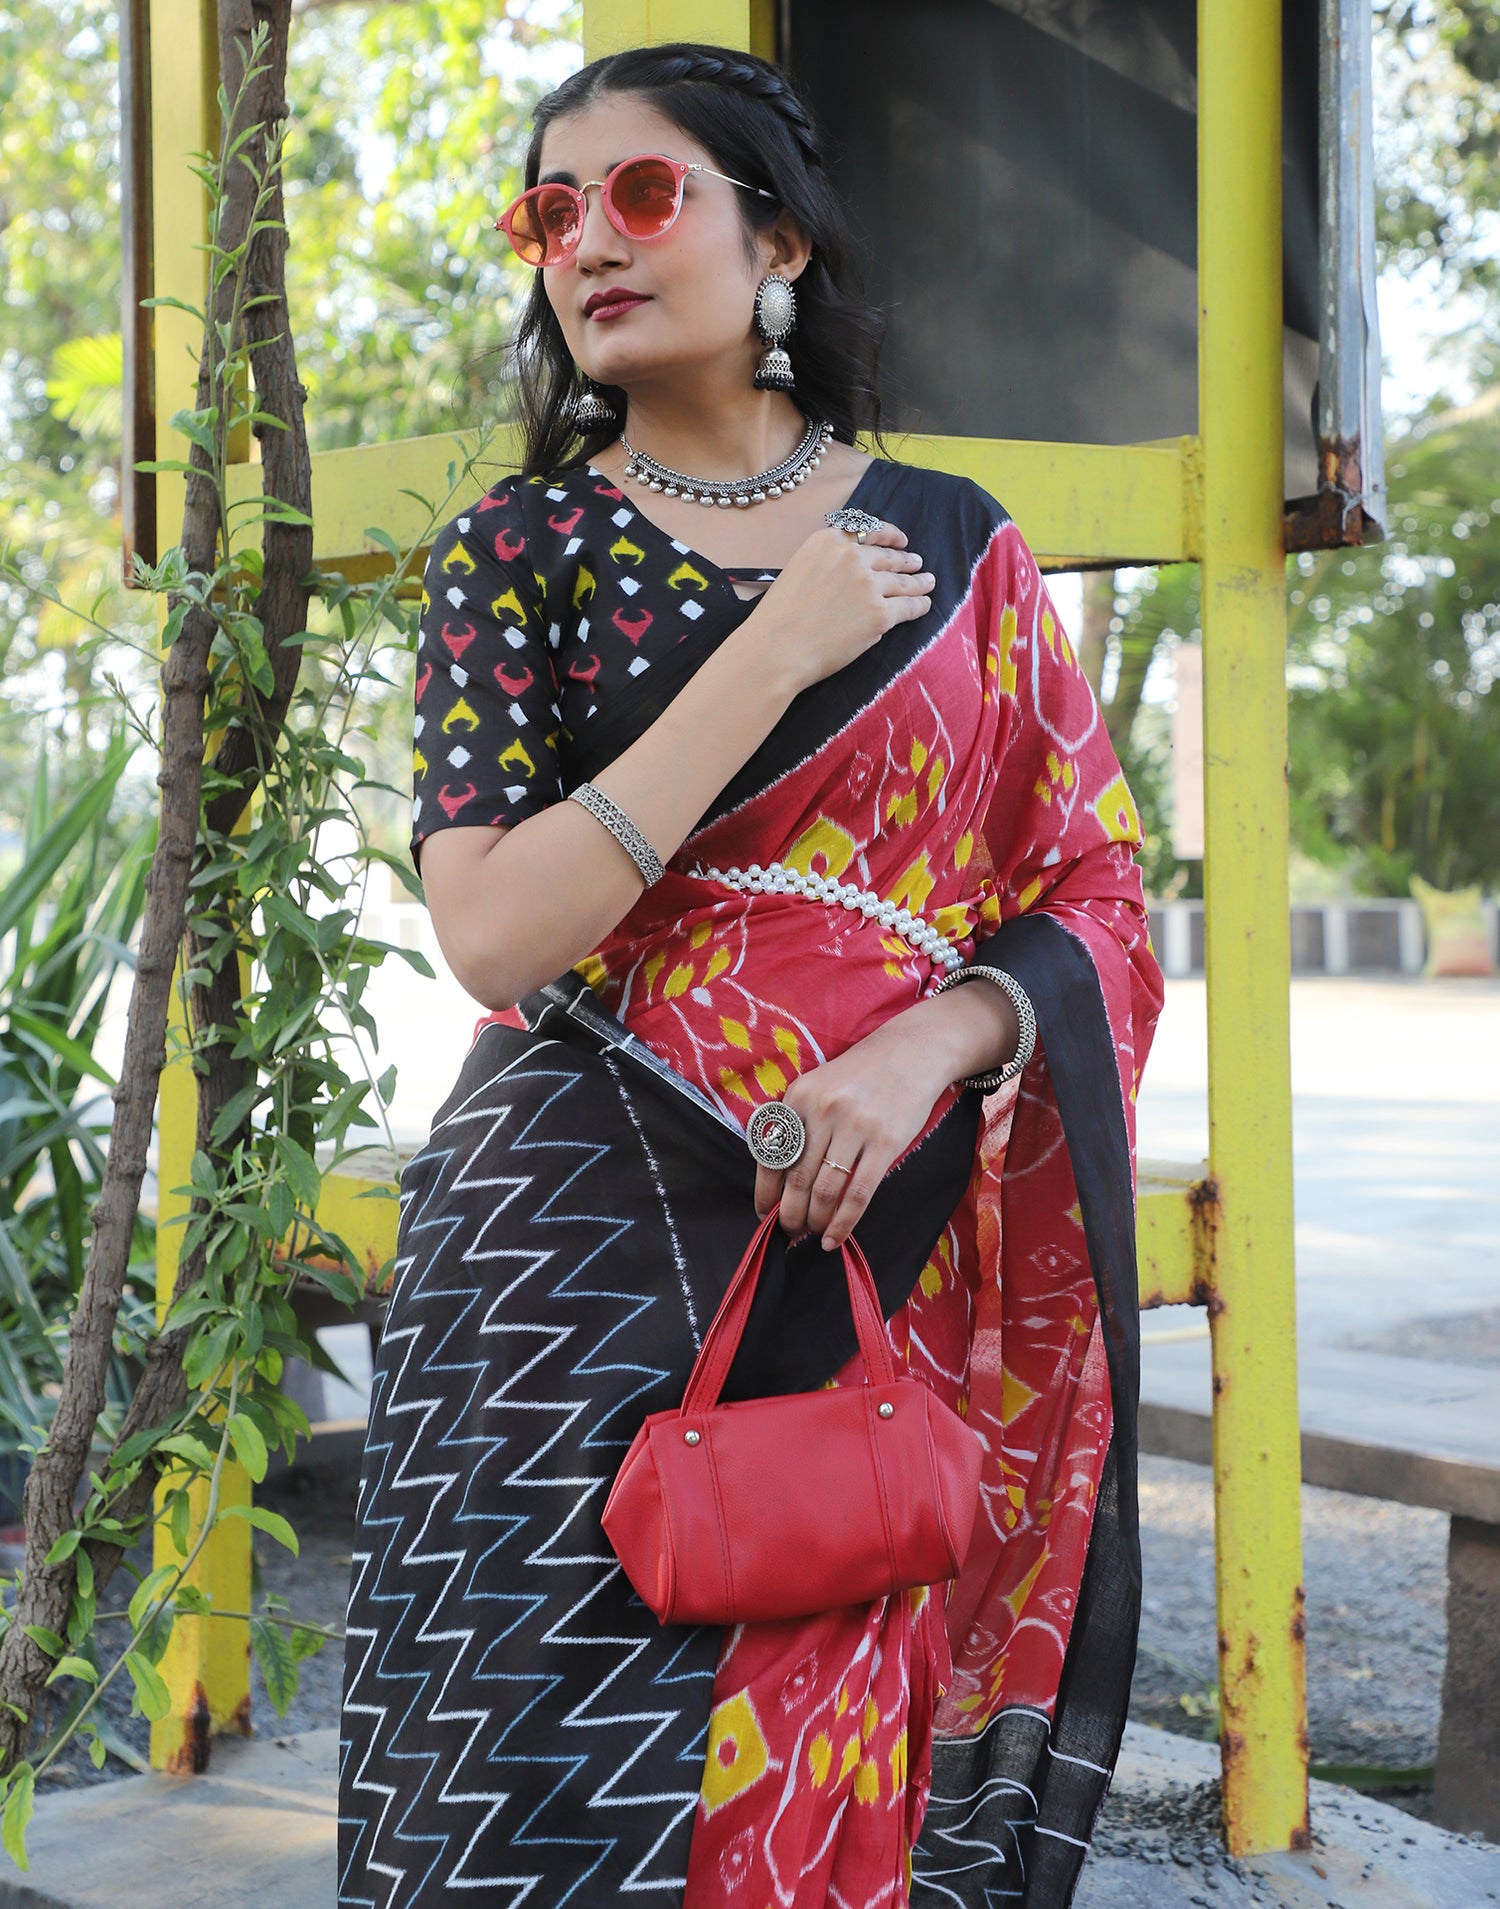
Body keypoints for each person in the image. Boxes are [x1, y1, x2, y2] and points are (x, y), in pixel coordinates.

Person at [338, 39, 1163, 1909]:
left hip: (864, 1221)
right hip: (566, 1252)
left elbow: (1097, 889)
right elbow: (491, 929)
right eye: (550, 213)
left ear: (777, 240)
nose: (585, 246)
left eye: (642, 195)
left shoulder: (956, 547)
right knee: (538, 1782)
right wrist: (771, 650)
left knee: (816, 1752)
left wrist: (919, 1059)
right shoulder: (519, 552)